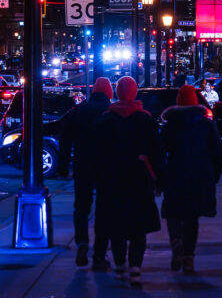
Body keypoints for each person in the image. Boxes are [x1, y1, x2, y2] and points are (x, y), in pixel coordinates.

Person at [93, 76, 164, 286]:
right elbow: (156, 152)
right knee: (138, 227)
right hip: (139, 177)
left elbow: (96, 155)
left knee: (116, 226)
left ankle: (119, 265)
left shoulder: (105, 120)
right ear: (134, 92)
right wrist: (159, 178)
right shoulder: (145, 120)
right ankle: (135, 267)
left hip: (112, 178)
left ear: (117, 92)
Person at [160, 85, 222, 274]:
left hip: (175, 175)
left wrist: (160, 176)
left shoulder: (170, 126)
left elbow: (159, 152)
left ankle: (176, 242)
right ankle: (189, 256)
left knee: (173, 213)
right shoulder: (206, 125)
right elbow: (219, 153)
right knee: (192, 217)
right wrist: (214, 175)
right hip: (200, 175)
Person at [58, 77, 114, 270]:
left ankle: (82, 243)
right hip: (107, 167)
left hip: (83, 164)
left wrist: (63, 167)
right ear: (109, 93)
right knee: (105, 209)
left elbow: (65, 140)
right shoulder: (111, 112)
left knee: (81, 207)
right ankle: (99, 252)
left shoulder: (79, 111)